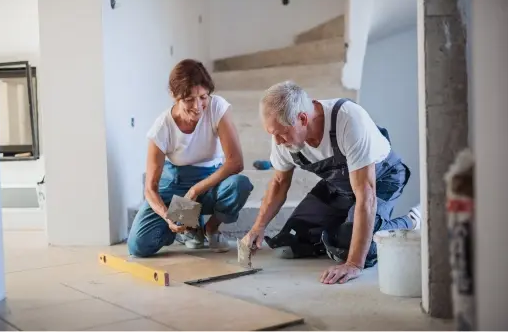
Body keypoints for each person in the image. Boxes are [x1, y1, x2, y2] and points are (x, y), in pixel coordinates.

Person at [241, 81, 421, 285]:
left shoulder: (348, 120)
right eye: (272, 134)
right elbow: (280, 183)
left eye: (282, 133)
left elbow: (366, 195)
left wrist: (353, 263)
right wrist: (258, 226)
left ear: (302, 118)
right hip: (339, 186)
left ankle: (413, 221)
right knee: (289, 242)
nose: (279, 142)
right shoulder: (283, 138)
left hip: (381, 180)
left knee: (355, 247)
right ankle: (341, 233)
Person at [128, 59, 253, 257]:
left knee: (239, 185)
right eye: (188, 100)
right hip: (177, 187)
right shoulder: (162, 128)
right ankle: (189, 229)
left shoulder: (217, 107)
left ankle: (209, 229)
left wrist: (196, 190)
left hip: (211, 181)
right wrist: (166, 216)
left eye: (203, 97)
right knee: (139, 246)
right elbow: (150, 188)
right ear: (173, 95)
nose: (198, 106)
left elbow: (235, 162)